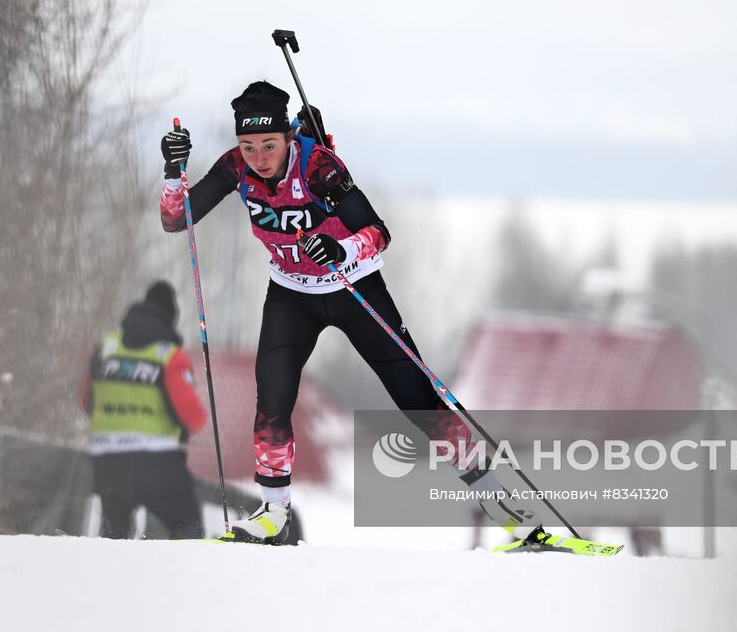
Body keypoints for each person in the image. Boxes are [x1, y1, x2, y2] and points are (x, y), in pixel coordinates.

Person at [159, 81, 527, 544]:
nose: (258, 157)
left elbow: (378, 232)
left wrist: (339, 248)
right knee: (272, 397)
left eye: (268, 145)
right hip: (292, 293)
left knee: (415, 399)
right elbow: (178, 220)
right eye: (248, 147)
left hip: (354, 286)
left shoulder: (316, 165)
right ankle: (274, 511)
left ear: (287, 139)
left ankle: (500, 501)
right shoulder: (236, 168)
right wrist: (174, 171)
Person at [80, 281, 207, 539]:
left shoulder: (106, 348)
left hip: (107, 461)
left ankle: (112, 577)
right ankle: (185, 578)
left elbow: (87, 403)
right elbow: (194, 417)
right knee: (188, 531)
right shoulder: (169, 356)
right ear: (171, 318)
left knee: (114, 536)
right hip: (157, 464)